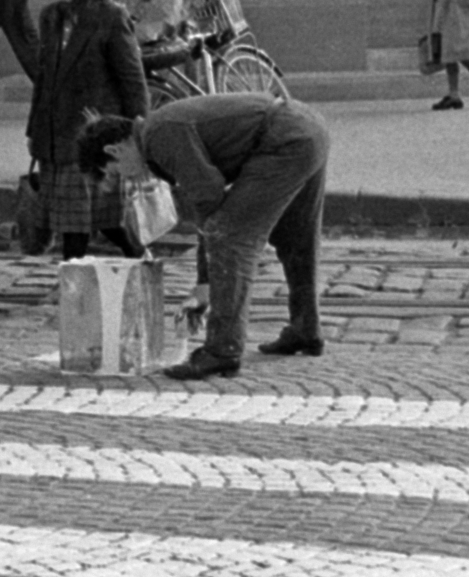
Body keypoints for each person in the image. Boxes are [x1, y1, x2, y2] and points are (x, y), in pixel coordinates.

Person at [77, 93, 328, 381]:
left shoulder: (160, 136)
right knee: (297, 236)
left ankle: (222, 351)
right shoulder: (156, 130)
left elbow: (209, 201)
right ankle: (306, 329)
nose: (126, 178)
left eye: (116, 172)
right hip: (307, 128)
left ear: (115, 150)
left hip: (285, 140)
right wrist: (204, 281)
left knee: (231, 239)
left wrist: (204, 284)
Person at [27, 0, 149, 261]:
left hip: (91, 133)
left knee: (77, 221)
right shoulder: (51, 16)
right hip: (54, 133)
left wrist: (139, 131)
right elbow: (44, 77)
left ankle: (74, 285)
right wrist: (34, 130)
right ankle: (137, 255)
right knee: (90, 217)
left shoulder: (111, 17)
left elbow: (132, 80)